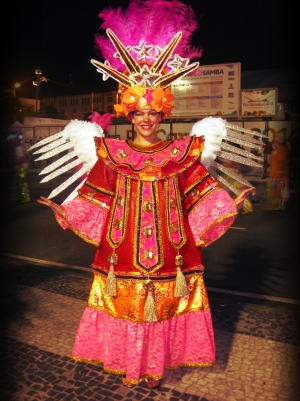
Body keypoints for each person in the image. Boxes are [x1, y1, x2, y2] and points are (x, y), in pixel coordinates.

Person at [33, 0, 257, 389]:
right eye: (139, 113)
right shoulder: (112, 154)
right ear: (129, 114)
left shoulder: (182, 154)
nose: (147, 119)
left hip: (173, 252)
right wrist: (68, 211)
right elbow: (97, 198)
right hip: (122, 253)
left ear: (162, 113)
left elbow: (199, 195)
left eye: (153, 113)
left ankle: (156, 366)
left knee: (163, 310)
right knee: (130, 309)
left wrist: (228, 204)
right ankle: (131, 365)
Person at [265, 138, 289, 210]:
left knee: (277, 190)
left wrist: (281, 172)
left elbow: (282, 161)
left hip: (277, 174)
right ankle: (274, 205)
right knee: (273, 189)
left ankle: (277, 205)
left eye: (274, 142)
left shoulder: (281, 150)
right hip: (274, 173)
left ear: (278, 142)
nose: (273, 144)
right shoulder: (277, 149)